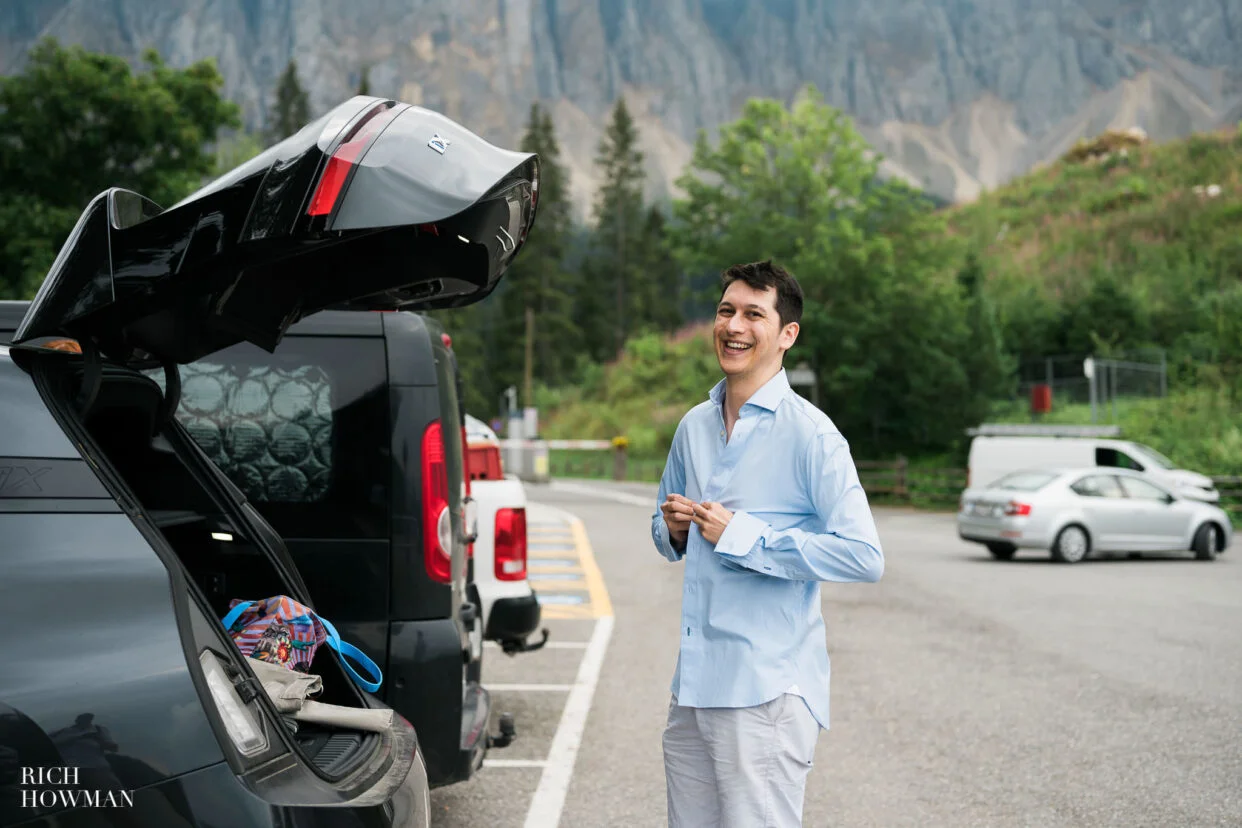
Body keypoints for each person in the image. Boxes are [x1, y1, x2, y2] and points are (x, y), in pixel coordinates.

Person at [651, 260, 885, 827]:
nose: (734, 325)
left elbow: (863, 555)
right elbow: (662, 535)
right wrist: (675, 529)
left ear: (787, 334)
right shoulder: (694, 427)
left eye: (755, 313)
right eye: (726, 310)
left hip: (766, 691)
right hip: (695, 688)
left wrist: (745, 536)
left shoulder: (812, 434)